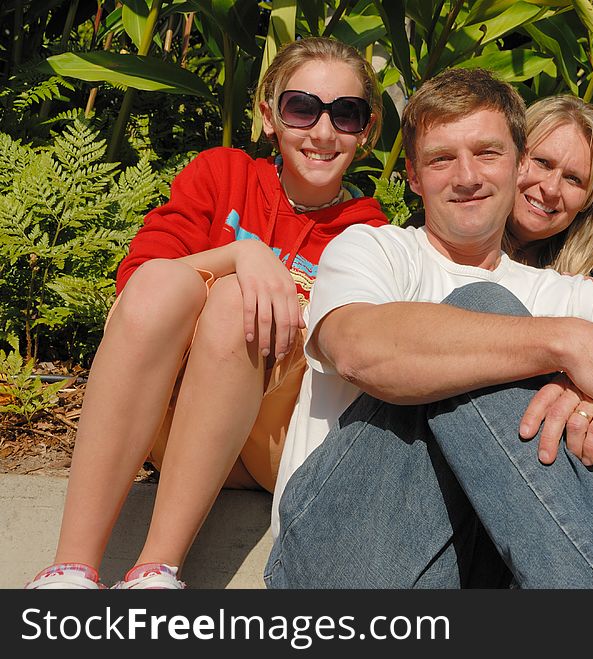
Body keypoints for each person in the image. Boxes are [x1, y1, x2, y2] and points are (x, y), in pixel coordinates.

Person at [265, 68, 593, 589]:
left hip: (480, 571)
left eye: (487, 154)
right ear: (412, 175)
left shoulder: (560, 291)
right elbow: (359, 350)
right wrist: (564, 345)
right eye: (441, 159)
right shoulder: (374, 250)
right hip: (338, 555)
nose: (467, 177)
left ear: (517, 163)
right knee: (484, 306)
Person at [25, 37, 387, 589]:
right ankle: (70, 571)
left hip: (273, 443)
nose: (321, 131)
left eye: (346, 114)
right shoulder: (222, 174)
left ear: (367, 131)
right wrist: (243, 253)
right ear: (269, 115)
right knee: (172, 287)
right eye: (301, 108)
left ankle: (155, 571)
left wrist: (251, 285)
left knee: (233, 302)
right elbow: (137, 290)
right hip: (173, 423)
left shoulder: (368, 232)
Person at [504, 94, 593, 301]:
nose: (551, 189)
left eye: (573, 179)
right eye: (542, 162)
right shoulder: (457, 227)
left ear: (591, 199)